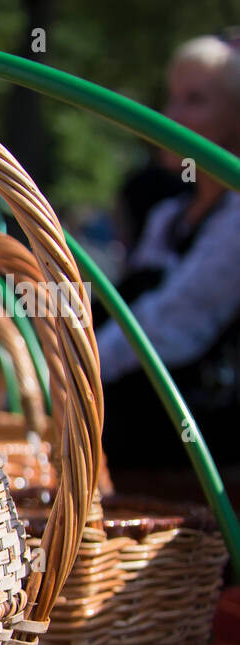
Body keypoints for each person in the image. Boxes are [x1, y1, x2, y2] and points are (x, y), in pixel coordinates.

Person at [96, 35, 240, 471]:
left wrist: (66, 377)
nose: (172, 117)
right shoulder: (169, 217)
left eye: (195, 100)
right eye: (171, 98)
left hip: (204, 445)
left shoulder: (234, 219)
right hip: (145, 423)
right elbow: (137, 312)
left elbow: (175, 324)